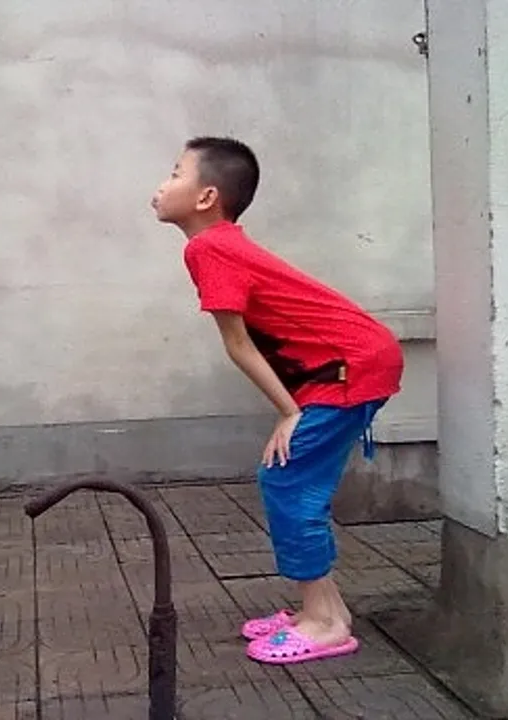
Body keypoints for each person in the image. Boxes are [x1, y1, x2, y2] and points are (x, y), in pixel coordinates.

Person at [151, 137, 404, 665]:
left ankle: (326, 624)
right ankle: (325, 609)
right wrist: (292, 409)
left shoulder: (208, 247)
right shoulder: (219, 244)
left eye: (175, 173)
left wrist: (290, 413)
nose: (161, 184)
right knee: (294, 478)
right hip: (346, 363)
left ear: (207, 197)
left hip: (350, 366)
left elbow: (238, 344)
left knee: (288, 480)